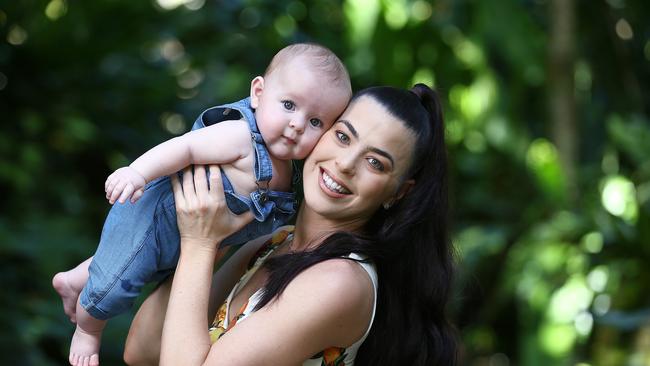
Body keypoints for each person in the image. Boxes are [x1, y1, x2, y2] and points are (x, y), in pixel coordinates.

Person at [52, 43, 352, 366]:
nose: (297, 125)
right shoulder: (240, 136)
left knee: (129, 266)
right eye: (289, 105)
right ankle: (88, 329)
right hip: (156, 215)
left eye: (316, 122)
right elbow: (187, 148)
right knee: (117, 283)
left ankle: (74, 279)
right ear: (258, 93)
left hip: (189, 238)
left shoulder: (288, 173)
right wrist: (137, 172)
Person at [123, 84, 458, 365]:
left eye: (375, 162)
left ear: (398, 192)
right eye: (342, 136)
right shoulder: (272, 244)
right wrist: (216, 235)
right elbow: (141, 350)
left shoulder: (341, 282)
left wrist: (199, 244)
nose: (345, 164)